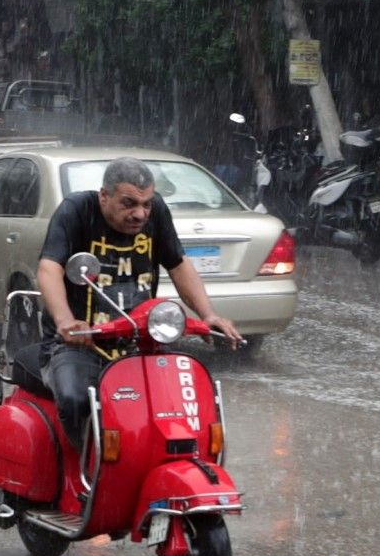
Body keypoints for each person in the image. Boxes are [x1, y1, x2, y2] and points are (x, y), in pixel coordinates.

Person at [37, 157, 243, 452]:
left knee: (181, 405)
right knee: (77, 399)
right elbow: (49, 268)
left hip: (142, 343)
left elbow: (178, 264)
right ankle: (90, 476)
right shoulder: (77, 210)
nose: (140, 213)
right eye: (129, 203)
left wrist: (208, 315)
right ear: (104, 196)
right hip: (79, 344)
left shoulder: (157, 212)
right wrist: (65, 321)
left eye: (146, 204)